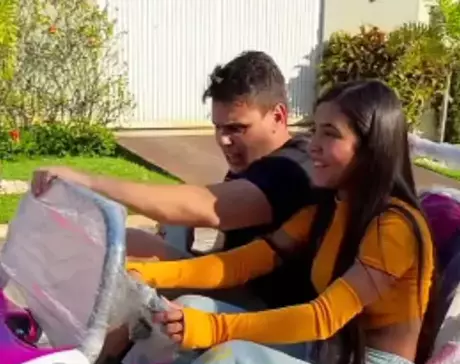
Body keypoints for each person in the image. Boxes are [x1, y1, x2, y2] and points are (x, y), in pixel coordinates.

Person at [58, 79, 436, 364]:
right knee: (185, 310)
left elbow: (322, 318)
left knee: (234, 362)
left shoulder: (395, 227)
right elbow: (242, 263)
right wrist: (152, 274)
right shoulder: (332, 208)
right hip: (325, 358)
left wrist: (215, 329)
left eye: (331, 134)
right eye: (314, 129)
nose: (313, 144)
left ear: (372, 147)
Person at [32, 50, 320, 308]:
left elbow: (209, 206)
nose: (223, 140)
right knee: (126, 241)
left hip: (268, 311)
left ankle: (97, 349)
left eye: (237, 128)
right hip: (232, 282)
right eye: (218, 127)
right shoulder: (253, 163)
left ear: (278, 117)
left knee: (136, 276)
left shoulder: (293, 167)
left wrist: (89, 181)